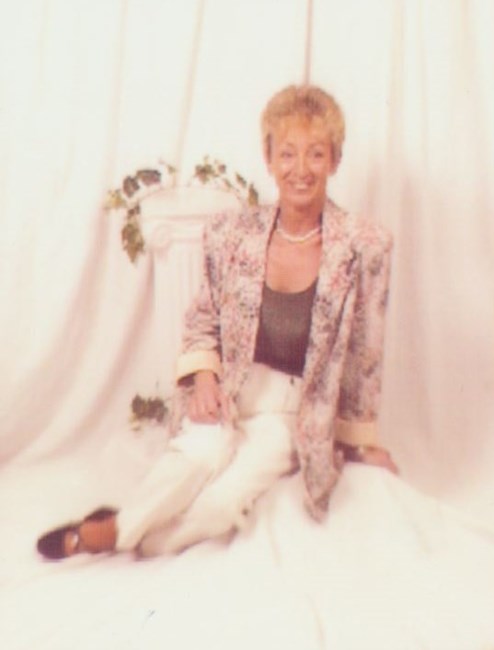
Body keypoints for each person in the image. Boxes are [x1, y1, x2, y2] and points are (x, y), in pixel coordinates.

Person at [37, 84, 397, 560]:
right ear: (269, 159)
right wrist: (205, 379)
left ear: (334, 160)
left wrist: (360, 444)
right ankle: (116, 533)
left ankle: (114, 533)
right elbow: (202, 319)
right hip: (231, 386)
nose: (301, 169)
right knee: (195, 460)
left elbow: (364, 355)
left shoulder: (364, 244)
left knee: (220, 505)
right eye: (287, 153)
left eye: (316, 153)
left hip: (292, 410)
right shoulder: (232, 233)